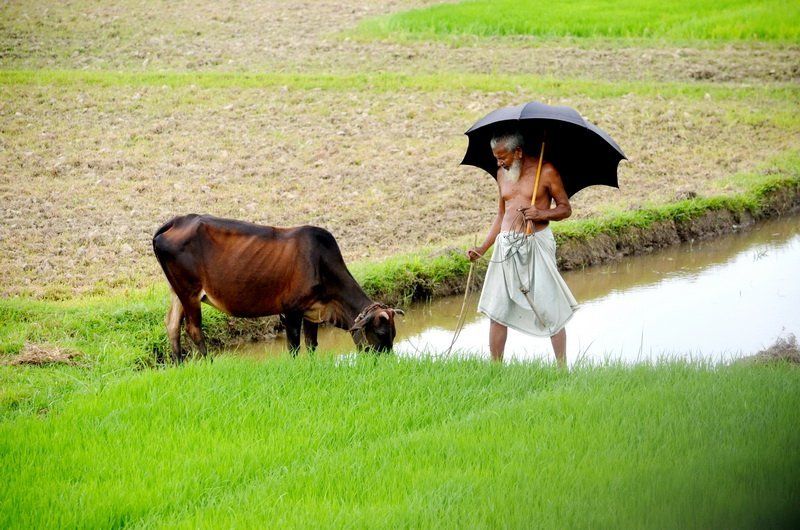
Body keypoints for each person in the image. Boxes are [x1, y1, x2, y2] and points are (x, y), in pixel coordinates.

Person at [466, 131, 578, 367]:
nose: (499, 162)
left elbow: (565, 208)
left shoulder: (546, 172)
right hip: (505, 246)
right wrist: (483, 248)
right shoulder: (501, 174)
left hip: (536, 243)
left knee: (550, 308)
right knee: (497, 310)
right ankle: (495, 370)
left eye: (502, 157)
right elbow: (501, 215)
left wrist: (542, 213)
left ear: (518, 152)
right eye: (496, 158)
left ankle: (562, 370)